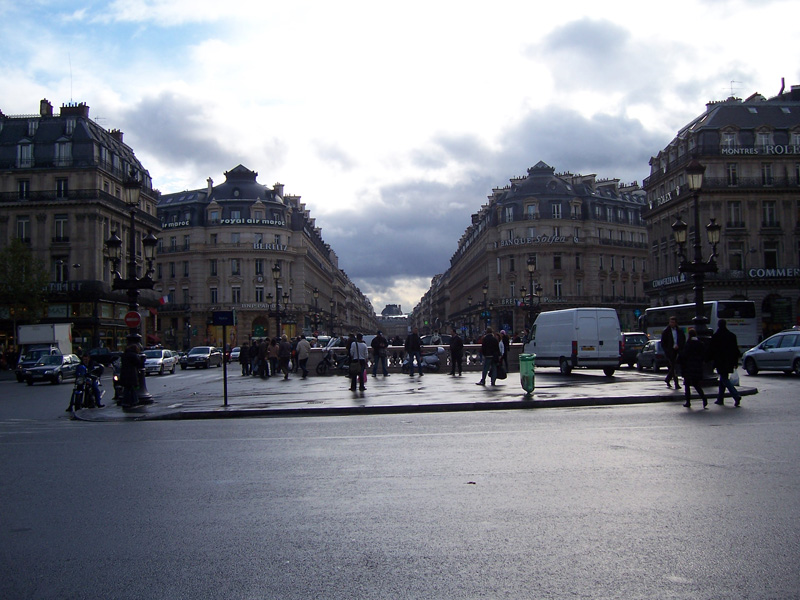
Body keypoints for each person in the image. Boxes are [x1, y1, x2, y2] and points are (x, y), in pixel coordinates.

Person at [708, 319, 743, 407]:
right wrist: (735, 362)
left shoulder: (716, 336)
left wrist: (709, 360)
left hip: (720, 361)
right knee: (723, 379)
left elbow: (711, 350)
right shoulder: (732, 336)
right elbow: (735, 350)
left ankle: (736, 395)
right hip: (729, 361)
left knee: (724, 379)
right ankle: (720, 399)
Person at [679, 328, 708, 408]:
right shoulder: (700, 344)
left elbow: (683, 355)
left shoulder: (688, 344)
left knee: (687, 385)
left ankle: (688, 401)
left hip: (688, 367)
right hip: (697, 366)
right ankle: (704, 398)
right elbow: (704, 355)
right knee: (696, 384)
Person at [660, 316, 686, 389]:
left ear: (676, 323)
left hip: (678, 350)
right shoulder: (666, 331)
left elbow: (683, 340)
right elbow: (663, 343)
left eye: (673, 322)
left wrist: (679, 346)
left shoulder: (680, 331)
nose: (672, 324)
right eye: (670, 322)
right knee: (673, 367)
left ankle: (668, 379)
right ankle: (676, 383)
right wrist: (667, 350)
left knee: (674, 367)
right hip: (670, 351)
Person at [120, 342, 144, 409]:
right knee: (130, 388)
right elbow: (138, 364)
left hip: (124, 373)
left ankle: (132, 401)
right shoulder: (133, 355)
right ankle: (130, 401)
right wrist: (142, 360)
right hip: (131, 374)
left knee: (128, 388)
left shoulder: (124, 355)